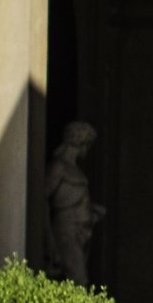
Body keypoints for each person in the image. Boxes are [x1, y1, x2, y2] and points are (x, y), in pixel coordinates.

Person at [46, 121, 104, 284]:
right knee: (78, 279)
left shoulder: (74, 168)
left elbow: (70, 199)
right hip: (66, 229)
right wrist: (48, 237)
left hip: (82, 230)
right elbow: (44, 198)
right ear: (81, 143)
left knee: (78, 278)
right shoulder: (59, 167)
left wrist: (91, 211)